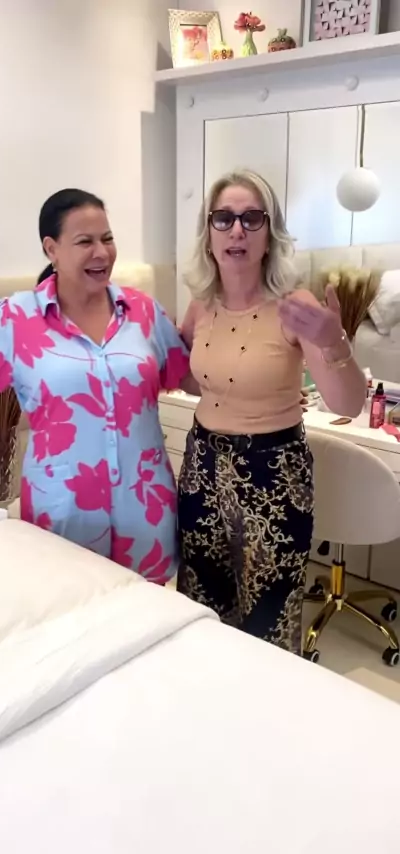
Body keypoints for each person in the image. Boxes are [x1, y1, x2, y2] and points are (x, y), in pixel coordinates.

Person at [0, 188, 190, 584]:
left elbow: (191, 372)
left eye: (107, 238)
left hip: (145, 507)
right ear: (52, 249)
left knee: (151, 611)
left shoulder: (143, 313)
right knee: (71, 606)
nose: (102, 252)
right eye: (85, 241)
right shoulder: (16, 319)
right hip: (63, 510)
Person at [176, 170, 366, 654]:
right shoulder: (201, 306)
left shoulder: (295, 306)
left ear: (270, 234)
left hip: (272, 476)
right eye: (223, 218)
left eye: (251, 218)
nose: (237, 230)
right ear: (208, 233)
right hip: (201, 468)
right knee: (200, 607)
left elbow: (348, 404)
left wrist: (335, 343)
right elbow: (191, 378)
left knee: (268, 619)